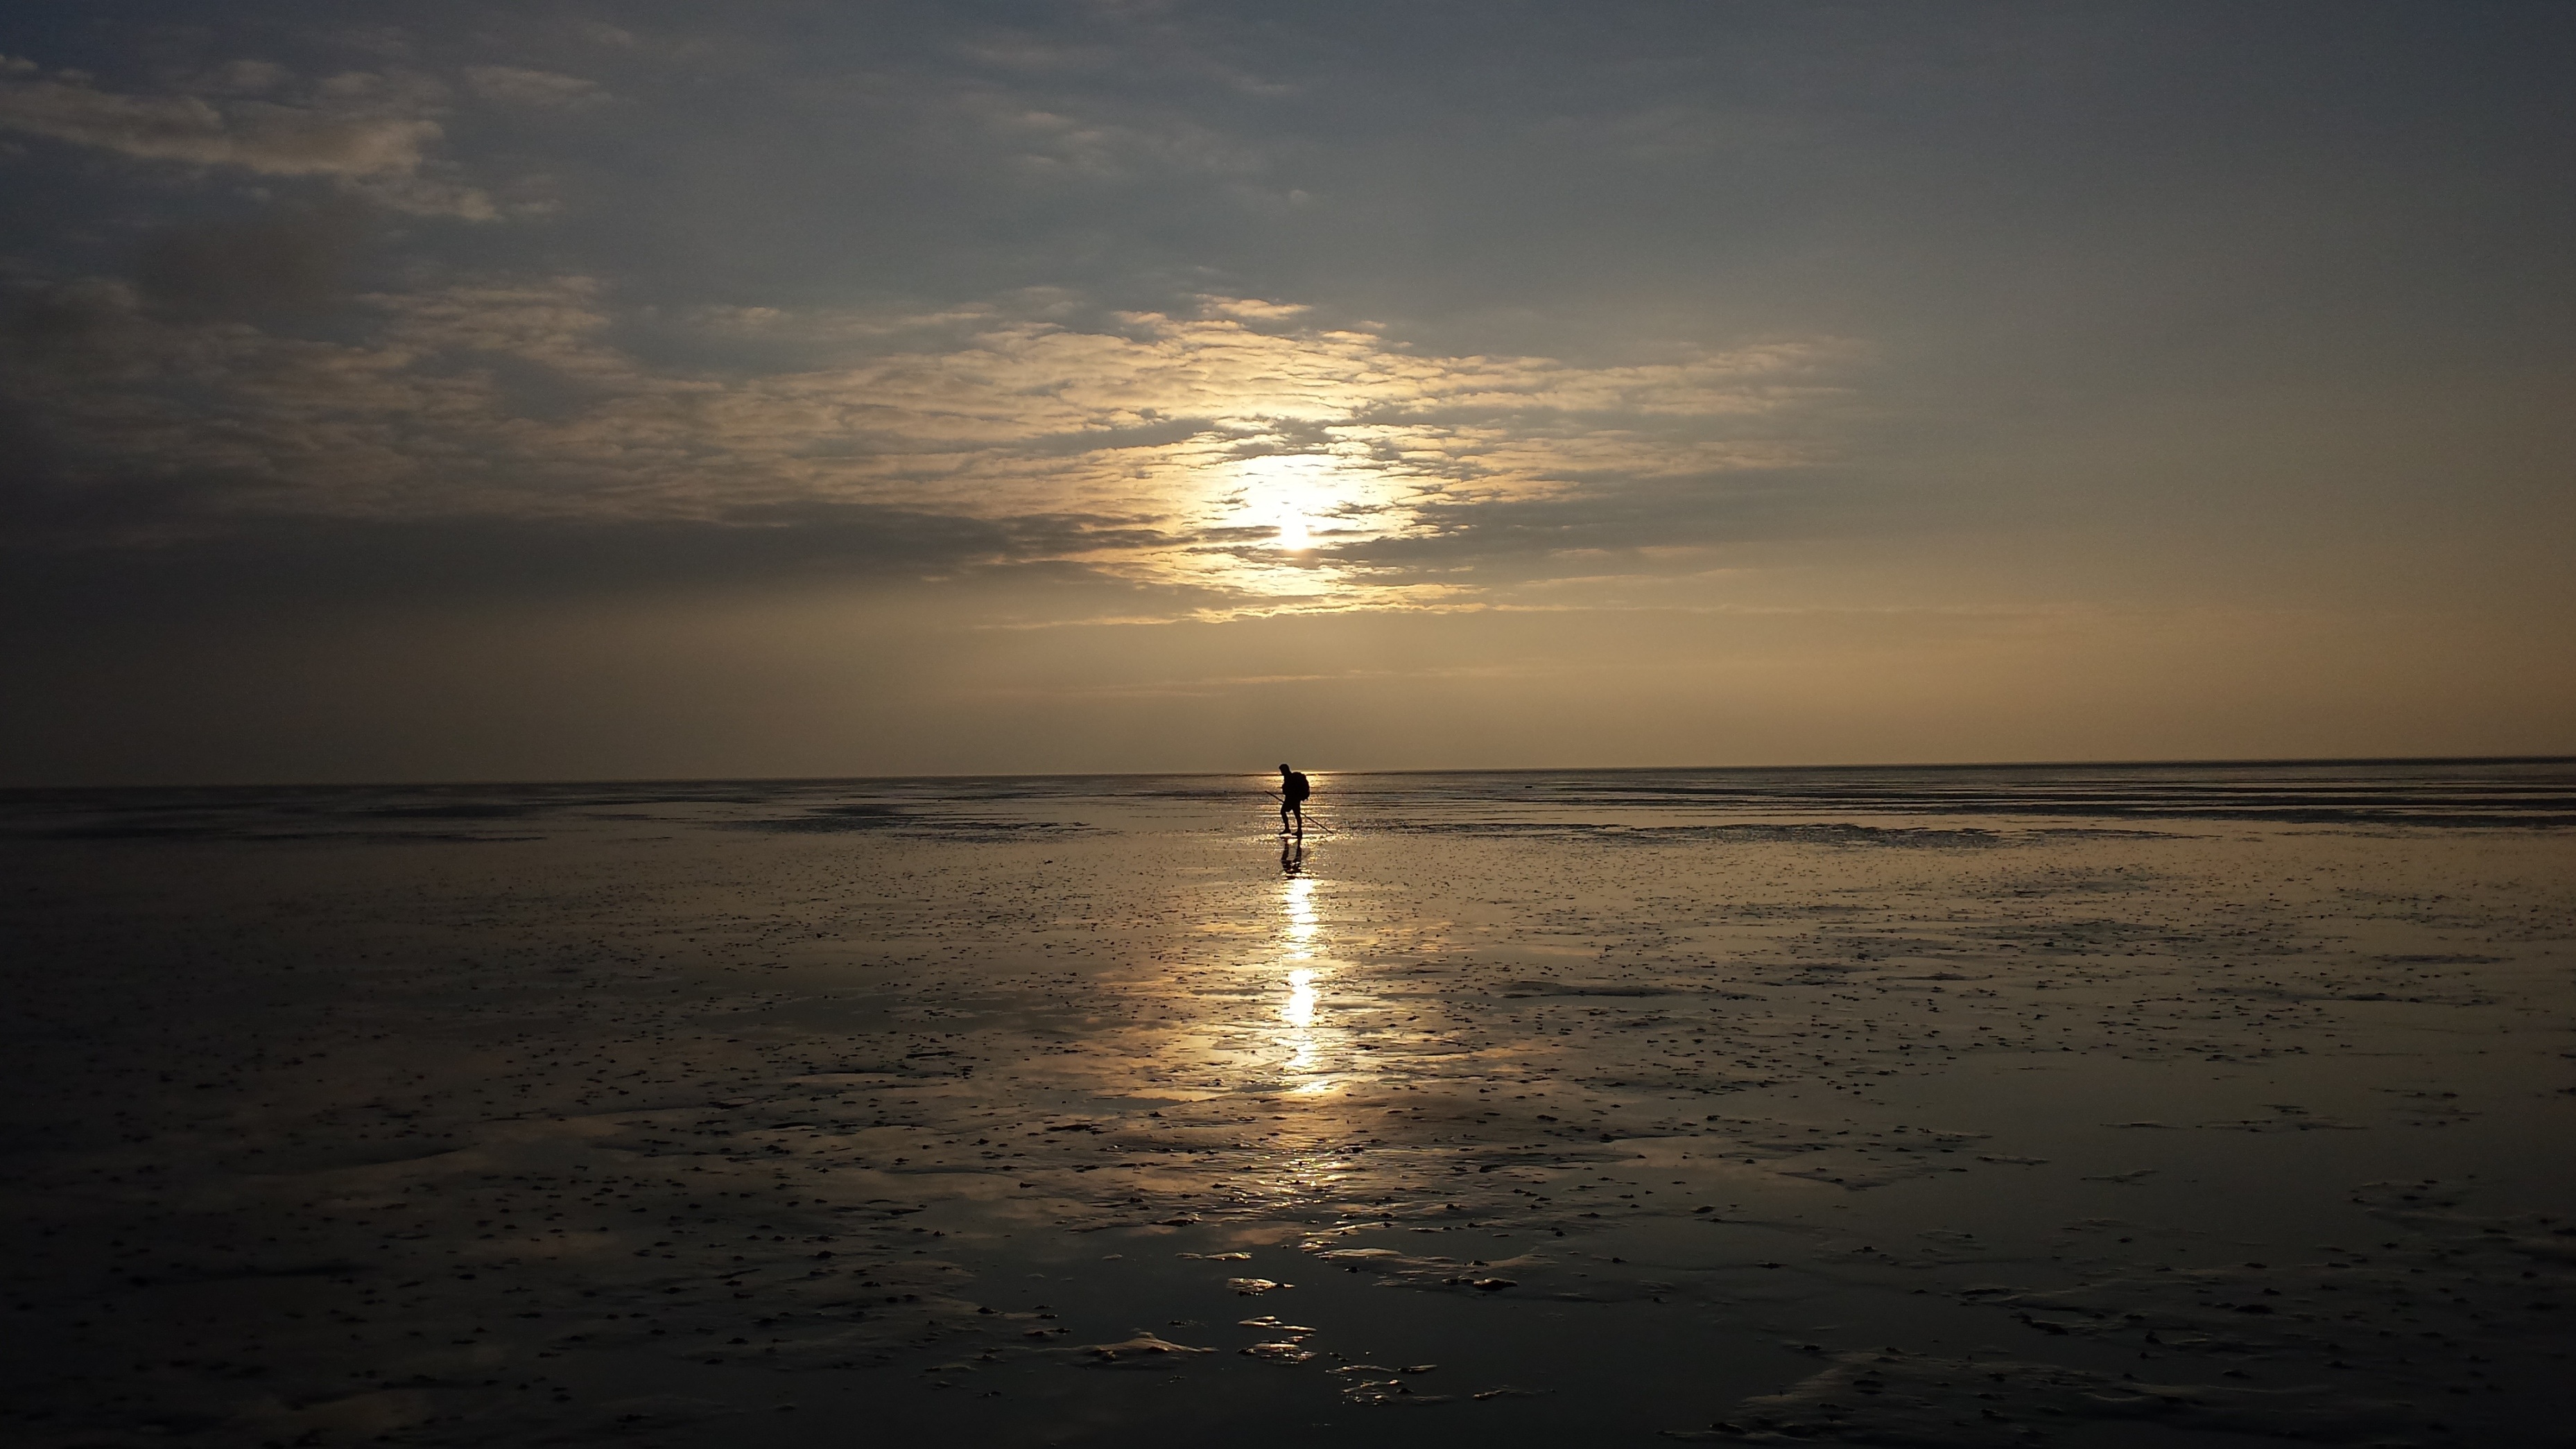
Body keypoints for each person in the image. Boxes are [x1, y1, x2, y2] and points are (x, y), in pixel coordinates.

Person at [1277, 763, 1310, 835]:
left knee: (1285, 812)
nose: (1281, 772)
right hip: (1293, 799)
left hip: (1292, 799)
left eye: (1282, 770)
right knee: (1295, 814)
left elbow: (1290, 789)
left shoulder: (1290, 777)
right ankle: (1295, 830)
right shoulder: (1288, 777)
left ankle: (1291, 829)